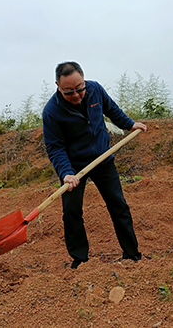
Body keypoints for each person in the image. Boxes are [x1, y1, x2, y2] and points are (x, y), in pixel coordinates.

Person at [42, 61, 147, 269]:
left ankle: (132, 254)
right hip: (73, 168)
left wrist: (129, 124)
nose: (76, 95)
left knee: (118, 205)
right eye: (69, 91)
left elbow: (111, 110)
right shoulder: (51, 112)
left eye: (80, 88)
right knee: (71, 212)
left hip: (102, 158)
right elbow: (55, 147)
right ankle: (80, 260)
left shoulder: (95, 89)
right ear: (57, 86)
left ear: (84, 80)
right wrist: (66, 173)